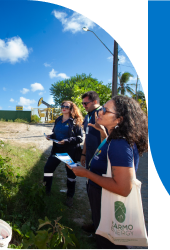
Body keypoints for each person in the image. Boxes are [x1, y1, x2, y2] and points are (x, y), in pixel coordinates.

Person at [68, 95, 149, 250]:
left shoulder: (119, 143)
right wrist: (103, 132)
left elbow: (123, 188)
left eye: (105, 110)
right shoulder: (114, 137)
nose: (100, 112)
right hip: (103, 197)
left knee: (109, 242)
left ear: (119, 119)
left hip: (108, 200)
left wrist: (86, 173)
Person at [43, 101, 84, 207]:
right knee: (48, 169)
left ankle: (70, 196)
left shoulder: (75, 121)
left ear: (71, 109)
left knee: (71, 174)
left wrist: (67, 141)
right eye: (62, 106)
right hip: (57, 151)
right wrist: (50, 136)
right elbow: (56, 134)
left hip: (69, 152)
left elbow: (79, 138)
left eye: (67, 106)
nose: (64, 108)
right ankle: (46, 191)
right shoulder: (58, 119)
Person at [78, 91, 104, 234]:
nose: (83, 106)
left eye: (85, 103)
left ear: (95, 101)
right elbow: (87, 137)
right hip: (89, 158)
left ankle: (101, 229)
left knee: (99, 193)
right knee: (91, 191)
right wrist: (83, 153)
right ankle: (95, 223)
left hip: (101, 160)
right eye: (82, 103)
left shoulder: (102, 114)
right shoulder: (88, 116)